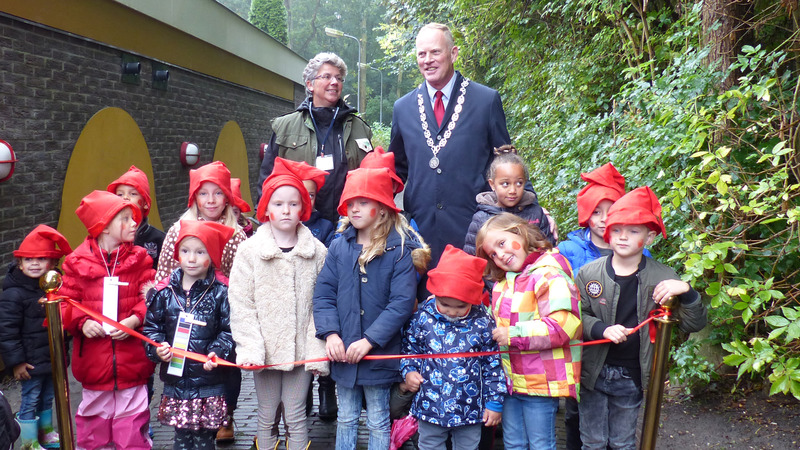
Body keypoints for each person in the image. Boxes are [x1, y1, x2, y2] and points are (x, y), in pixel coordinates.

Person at [576, 186, 708, 450]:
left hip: (632, 375)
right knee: (592, 442)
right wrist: (601, 329)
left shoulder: (663, 277)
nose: (623, 237)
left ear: (649, 237)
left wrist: (688, 292)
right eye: (616, 229)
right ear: (606, 232)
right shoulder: (588, 273)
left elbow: (694, 323)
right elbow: (575, 315)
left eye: (633, 231)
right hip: (592, 373)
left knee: (623, 442)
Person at [313, 167, 429, 450]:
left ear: (381, 206)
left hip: (378, 354)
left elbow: (401, 304)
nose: (354, 209)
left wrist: (370, 341)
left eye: (363, 202)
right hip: (344, 353)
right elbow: (324, 294)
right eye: (350, 203)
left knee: (378, 418)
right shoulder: (339, 248)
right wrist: (331, 334)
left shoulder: (399, 250)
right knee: (347, 417)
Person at [388, 22, 511, 264]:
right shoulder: (402, 108)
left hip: (474, 230)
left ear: (453, 53)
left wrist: (531, 207)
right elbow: (397, 170)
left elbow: (505, 163)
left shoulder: (486, 101)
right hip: (421, 237)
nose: (428, 60)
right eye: (421, 54)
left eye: (435, 52)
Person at [228, 158, 329, 449]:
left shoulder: (317, 252)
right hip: (265, 350)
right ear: (266, 209)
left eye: (293, 204)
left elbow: (320, 305)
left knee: (296, 414)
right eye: (278, 203)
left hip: (299, 351)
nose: (286, 210)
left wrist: (316, 350)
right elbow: (242, 303)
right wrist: (250, 348)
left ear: (303, 208)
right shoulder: (250, 252)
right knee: (266, 412)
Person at [556, 162, 648, 450]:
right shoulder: (568, 251)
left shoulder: (634, 250)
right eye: (596, 211)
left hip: (622, 353)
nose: (603, 219)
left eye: (610, 211)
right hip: (581, 344)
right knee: (578, 413)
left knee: (619, 420)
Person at [154, 161, 246, 442]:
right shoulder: (177, 229)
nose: (210, 200)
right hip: (184, 311)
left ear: (227, 197)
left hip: (221, 309)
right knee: (185, 372)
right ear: (194, 196)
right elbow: (165, 273)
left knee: (226, 370)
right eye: (203, 193)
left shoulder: (237, 234)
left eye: (217, 193)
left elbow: (242, 278)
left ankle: (225, 415)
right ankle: (186, 420)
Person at [475, 213, 582, 449]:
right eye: (493, 253)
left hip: (540, 384)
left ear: (519, 232)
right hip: (511, 381)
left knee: (541, 444)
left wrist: (514, 334)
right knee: (513, 443)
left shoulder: (549, 274)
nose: (500, 255)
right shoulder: (503, 284)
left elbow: (564, 324)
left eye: (502, 244)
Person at [61, 190, 156, 449]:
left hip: (132, 360)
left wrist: (135, 320)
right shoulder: (76, 263)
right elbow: (65, 303)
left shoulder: (140, 259)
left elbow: (151, 297)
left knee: (132, 423)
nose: (134, 223)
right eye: (124, 218)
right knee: (94, 423)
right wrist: (82, 322)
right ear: (103, 228)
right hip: (94, 363)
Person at [401, 244, 506, 450]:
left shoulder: (483, 322)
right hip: (430, 403)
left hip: (469, 405)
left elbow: (493, 366)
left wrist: (495, 403)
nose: (452, 312)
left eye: (461, 307)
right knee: (429, 444)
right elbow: (410, 349)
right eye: (445, 304)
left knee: (468, 446)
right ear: (435, 294)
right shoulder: (423, 317)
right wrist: (409, 371)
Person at [143, 221, 235, 450]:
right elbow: (152, 328)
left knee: (204, 439)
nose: (191, 258)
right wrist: (157, 348)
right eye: (185, 251)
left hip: (208, 382)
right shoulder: (165, 294)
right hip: (177, 381)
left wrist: (217, 351)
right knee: (181, 439)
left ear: (212, 256)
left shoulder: (221, 294)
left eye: (200, 252)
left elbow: (229, 330)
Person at [258, 52, 373, 226]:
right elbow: (267, 180)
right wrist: (267, 225)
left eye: (339, 78)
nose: (334, 82)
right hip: (298, 229)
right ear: (310, 84)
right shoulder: (285, 127)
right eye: (327, 76)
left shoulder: (360, 129)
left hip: (349, 228)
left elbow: (373, 180)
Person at [0, 225, 72, 449]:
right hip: (30, 362)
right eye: (28, 260)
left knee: (48, 396)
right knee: (31, 399)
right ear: (20, 264)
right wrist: (17, 363)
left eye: (41, 259)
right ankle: (29, 441)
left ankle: (46, 431)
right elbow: (7, 331)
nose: (34, 264)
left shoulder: (54, 288)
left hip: (51, 358)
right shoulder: (13, 294)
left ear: (51, 264)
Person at [463, 145, 553, 256]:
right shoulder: (481, 219)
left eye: (519, 183)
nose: (512, 190)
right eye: (505, 184)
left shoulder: (536, 213)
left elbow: (550, 250)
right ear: (492, 184)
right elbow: (471, 258)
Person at [107, 165, 166, 269]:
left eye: (133, 194)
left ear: (145, 203)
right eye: (120, 194)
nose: (125, 197)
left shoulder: (159, 239)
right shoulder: (107, 235)